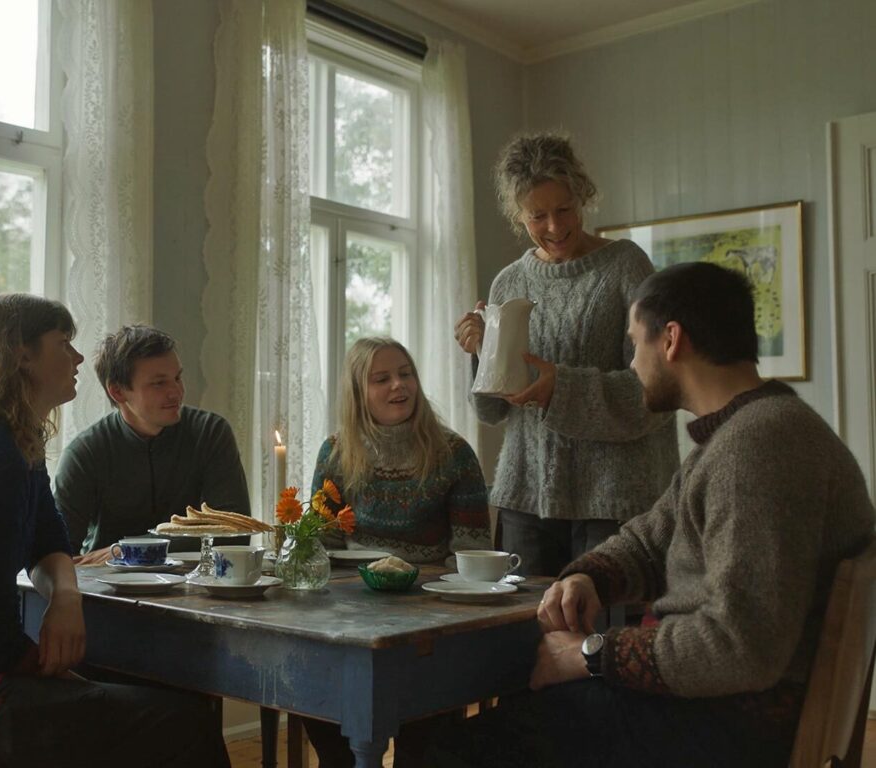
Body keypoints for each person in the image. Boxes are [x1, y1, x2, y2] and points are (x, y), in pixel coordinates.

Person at [428, 262, 876, 767]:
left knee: (447, 753)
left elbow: (738, 647)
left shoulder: (758, 450)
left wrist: (589, 654)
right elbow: (651, 537)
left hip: (725, 728)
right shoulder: (745, 433)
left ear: (672, 340)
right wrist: (589, 577)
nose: (634, 365)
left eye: (636, 344)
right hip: (715, 712)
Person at [0, 294, 230, 767]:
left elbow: (51, 542)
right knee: (180, 722)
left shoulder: (12, 444)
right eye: (64, 343)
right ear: (21, 354)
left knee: (151, 713)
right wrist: (70, 680)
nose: (76, 358)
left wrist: (66, 597)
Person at [453, 132, 680, 578]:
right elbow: (493, 409)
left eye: (565, 209)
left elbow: (656, 391)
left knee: (598, 642)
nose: (555, 227)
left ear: (583, 197)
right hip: (526, 500)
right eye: (538, 215)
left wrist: (562, 388)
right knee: (525, 640)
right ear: (518, 216)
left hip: (615, 501)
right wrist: (482, 351)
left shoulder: (626, 267)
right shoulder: (508, 282)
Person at [303, 336, 493, 768]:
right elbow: (323, 544)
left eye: (405, 374)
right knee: (313, 684)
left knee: (425, 728)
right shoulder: (334, 452)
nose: (398, 386)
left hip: (428, 613)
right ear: (358, 392)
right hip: (351, 609)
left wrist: (421, 594)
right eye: (382, 378)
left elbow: (472, 552)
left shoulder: (454, 454)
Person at [55, 324, 251, 563]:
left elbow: (236, 533)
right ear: (118, 392)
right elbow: (59, 553)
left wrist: (124, 549)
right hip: (108, 590)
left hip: (193, 590)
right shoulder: (85, 453)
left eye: (177, 377)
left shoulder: (210, 433)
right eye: (159, 383)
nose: (176, 392)